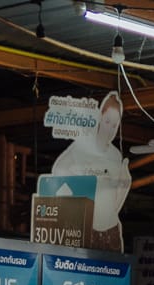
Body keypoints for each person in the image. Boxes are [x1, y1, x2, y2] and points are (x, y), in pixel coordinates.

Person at [49, 91, 130, 252]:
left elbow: (117, 197)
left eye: (114, 125)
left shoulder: (115, 155)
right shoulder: (82, 147)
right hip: (87, 229)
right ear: (100, 117)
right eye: (107, 121)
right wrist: (79, 185)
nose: (110, 129)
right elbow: (58, 170)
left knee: (115, 275)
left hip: (111, 229)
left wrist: (124, 181)